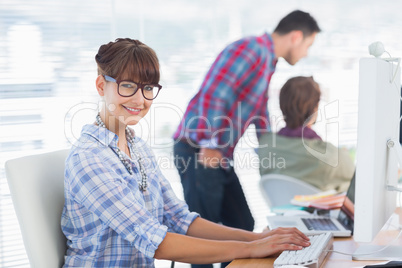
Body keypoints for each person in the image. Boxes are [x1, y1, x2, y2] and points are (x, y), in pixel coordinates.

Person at [61, 38, 310, 267]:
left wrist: (259, 238)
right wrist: (253, 247)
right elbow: (155, 240)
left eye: (148, 88)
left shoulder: (137, 148)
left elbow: (180, 219)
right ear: (100, 85)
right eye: (128, 86)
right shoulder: (90, 158)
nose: (139, 99)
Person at [172, 10, 320, 267]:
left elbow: (258, 113)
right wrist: (210, 144)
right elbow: (216, 94)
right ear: (296, 37)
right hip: (199, 149)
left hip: (218, 153)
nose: (307, 53)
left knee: (243, 223)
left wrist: (273, 149)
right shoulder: (251, 50)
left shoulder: (267, 61)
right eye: (308, 45)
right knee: (202, 238)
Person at [258, 76, 355, 192]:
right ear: (315, 108)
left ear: (281, 106)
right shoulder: (331, 157)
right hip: (316, 209)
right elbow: (352, 175)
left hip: (281, 208)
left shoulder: (265, 146)